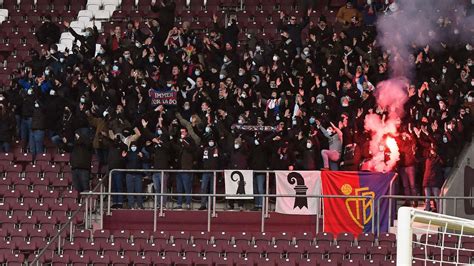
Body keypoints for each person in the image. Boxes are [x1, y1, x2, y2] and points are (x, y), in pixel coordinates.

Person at [173, 127, 195, 210]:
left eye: (183, 131)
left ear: (186, 132)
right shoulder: (179, 141)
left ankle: (188, 204)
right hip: (179, 168)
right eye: (180, 132)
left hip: (186, 168)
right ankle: (179, 204)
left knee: (187, 187)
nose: (181, 133)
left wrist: (183, 141)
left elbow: (190, 148)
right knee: (179, 188)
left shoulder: (190, 140)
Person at [199, 137, 219, 210]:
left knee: (212, 190)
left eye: (212, 141)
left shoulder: (217, 149)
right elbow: (201, 159)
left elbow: (219, 160)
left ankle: (212, 205)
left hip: (214, 171)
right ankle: (203, 204)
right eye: (209, 141)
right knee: (203, 188)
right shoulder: (205, 149)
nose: (211, 142)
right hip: (206, 171)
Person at [122, 142, 144, 209]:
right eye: (132, 146)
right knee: (130, 191)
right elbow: (123, 163)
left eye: (135, 146)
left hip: (138, 175)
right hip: (129, 174)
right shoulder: (128, 153)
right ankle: (130, 205)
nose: (133, 147)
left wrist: (142, 157)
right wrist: (123, 157)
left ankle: (140, 205)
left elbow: (145, 161)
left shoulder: (140, 153)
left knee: (139, 190)